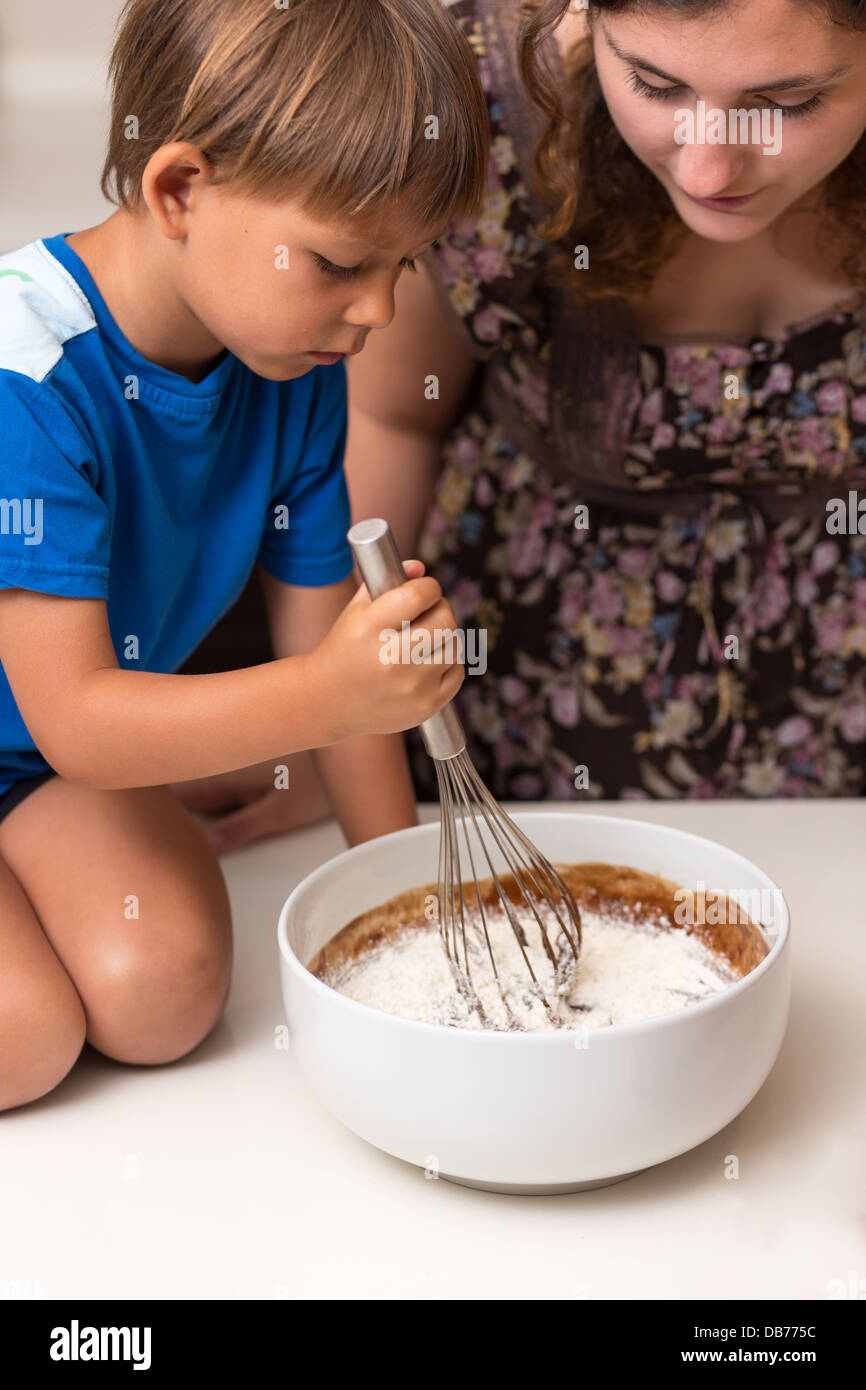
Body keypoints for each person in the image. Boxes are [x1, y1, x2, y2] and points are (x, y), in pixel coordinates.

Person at [188, 0, 866, 845]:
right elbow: (393, 419)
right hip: (514, 726)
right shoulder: (469, 113)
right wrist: (346, 742)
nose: (706, 172)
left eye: (782, 105)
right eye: (654, 84)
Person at [0, 0, 488, 1111]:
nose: (375, 310)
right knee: (22, 1038)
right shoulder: (23, 381)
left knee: (161, 995)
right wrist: (328, 694)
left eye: (403, 265)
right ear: (178, 190)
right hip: (70, 735)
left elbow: (336, 652)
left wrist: (412, 915)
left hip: (33, 764)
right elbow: (81, 717)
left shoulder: (294, 366)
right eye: (338, 262)